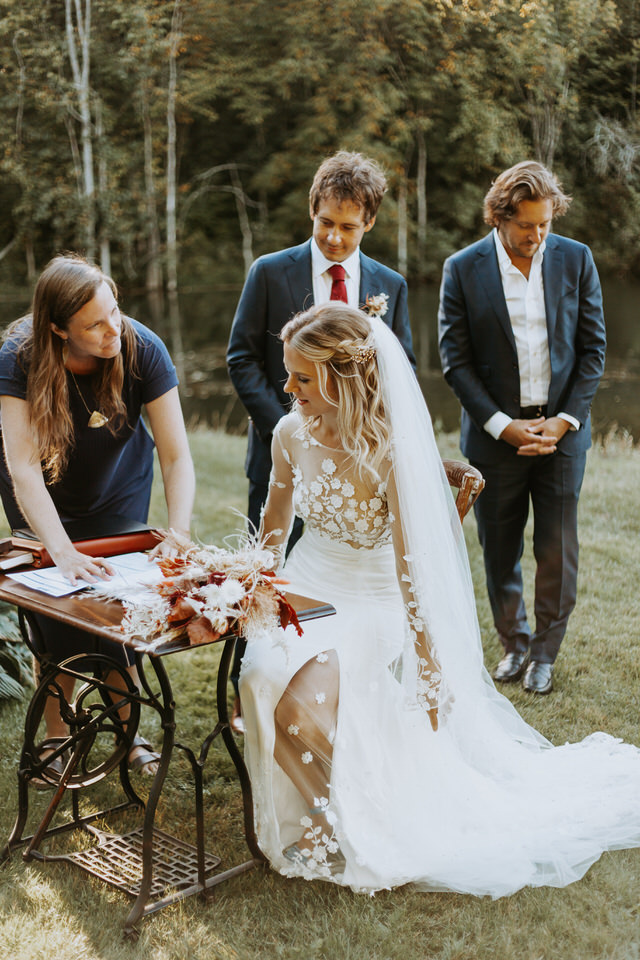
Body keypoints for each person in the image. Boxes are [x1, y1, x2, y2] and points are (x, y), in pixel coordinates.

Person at [238, 301, 640, 896]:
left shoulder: (389, 451)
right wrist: (252, 583)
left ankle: (335, 818)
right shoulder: (289, 432)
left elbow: (410, 570)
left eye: (302, 377)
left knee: (300, 710)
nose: (288, 387)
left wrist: (428, 660)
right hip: (306, 585)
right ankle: (329, 804)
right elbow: (273, 526)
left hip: (372, 602)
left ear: (343, 378)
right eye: (289, 373)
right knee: (263, 673)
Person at [226, 150, 415, 731]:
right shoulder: (269, 271)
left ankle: (338, 711)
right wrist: (293, 425)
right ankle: (250, 696)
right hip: (283, 450)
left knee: (341, 611)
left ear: (369, 224)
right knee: (275, 560)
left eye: (348, 227)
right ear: (312, 213)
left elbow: (396, 373)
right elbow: (241, 357)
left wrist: (348, 434)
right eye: (324, 223)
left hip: (361, 461)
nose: (334, 237)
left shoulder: (389, 285)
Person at [0, 253, 195, 778]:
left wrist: (178, 533)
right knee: (52, 614)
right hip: (43, 493)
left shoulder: (141, 347)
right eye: (95, 323)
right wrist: (60, 551)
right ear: (59, 329)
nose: (114, 328)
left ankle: (129, 734)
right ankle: (58, 736)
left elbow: (176, 455)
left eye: (115, 310)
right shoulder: (17, 356)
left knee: (118, 613)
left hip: (118, 489)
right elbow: (21, 467)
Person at [438, 161, 606, 695]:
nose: (536, 236)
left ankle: (545, 654)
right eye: (526, 226)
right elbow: (454, 361)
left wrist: (564, 419)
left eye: (545, 225)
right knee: (500, 547)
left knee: (557, 548)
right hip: (495, 441)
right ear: (499, 217)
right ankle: (513, 643)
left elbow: (593, 349)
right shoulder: (462, 269)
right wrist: (502, 426)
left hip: (562, 434)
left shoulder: (575, 259)